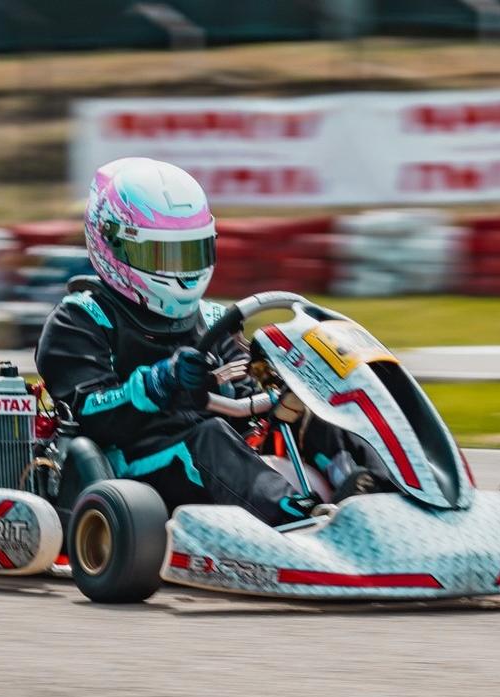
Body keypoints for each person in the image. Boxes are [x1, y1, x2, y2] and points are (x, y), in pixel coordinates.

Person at [34, 158, 386, 526]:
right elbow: (89, 412)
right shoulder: (81, 319)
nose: (180, 270)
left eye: (189, 253)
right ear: (113, 244)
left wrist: (284, 389)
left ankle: (376, 493)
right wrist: (159, 382)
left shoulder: (214, 319)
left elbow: (247, 395)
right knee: (209, 436)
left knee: (318, 405)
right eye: (162, 255)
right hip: (133, 469)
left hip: (228, 457)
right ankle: (302, 520)